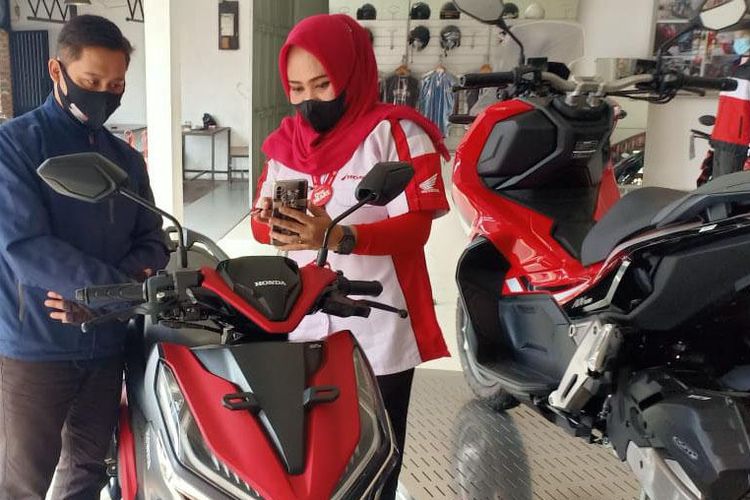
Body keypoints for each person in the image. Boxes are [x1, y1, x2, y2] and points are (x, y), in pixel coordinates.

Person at [251, 14, 450, 499]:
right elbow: (258, 223)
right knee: (308, 458)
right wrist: (273, 224)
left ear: (352, 74)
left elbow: (417, 227)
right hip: (300, 321)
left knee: (377, 456)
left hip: (378, 323)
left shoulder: (397, 132)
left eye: (323, 85)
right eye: (297, 88)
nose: (309, 100)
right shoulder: (285, 144)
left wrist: (339, 237)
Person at [0, 15, 169, 499]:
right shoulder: (14, 146)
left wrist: (108, 300)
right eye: (91, 82)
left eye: (115, 86)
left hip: (106, 343)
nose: (103, 95)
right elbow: (24, 246)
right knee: (23, 481)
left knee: (88, 469)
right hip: (36, 345)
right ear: (57, 70)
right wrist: (104, 292)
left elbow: (153, 241)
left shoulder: (125, 159)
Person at [709, 24, 750, 179]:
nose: (737, 42)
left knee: (727, 185)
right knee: (715, 184)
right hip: (722, 132)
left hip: (736, 136)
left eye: (741, 38)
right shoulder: (733, 67)